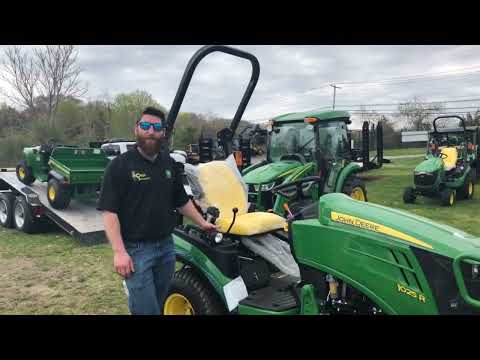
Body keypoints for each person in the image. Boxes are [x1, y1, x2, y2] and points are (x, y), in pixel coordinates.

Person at [97, 106, 217, 315]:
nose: (150, 131)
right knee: (147, 309)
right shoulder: (119, 166)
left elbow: (181, 201)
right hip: (136, 251)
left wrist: (202, 222)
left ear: (163, 132)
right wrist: (119, 252)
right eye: (145, 126)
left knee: (159, 302)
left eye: (156, 127)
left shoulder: (168, 163)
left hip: (166, 248)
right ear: (137, 129)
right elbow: (109, 212)